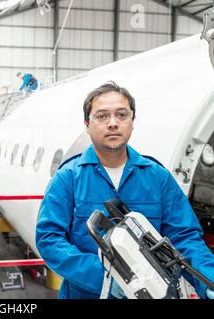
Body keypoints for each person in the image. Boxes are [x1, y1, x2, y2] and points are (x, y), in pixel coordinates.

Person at [36, 81, 214, 299]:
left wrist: (208, 279)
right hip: (86, 293)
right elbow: (50, 239)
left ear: (132, 121)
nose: (113, 123)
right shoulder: (69, 177)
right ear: (87, 123)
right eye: (102, 116)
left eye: (121, 115)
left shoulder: (157, 177)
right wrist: (108, 278)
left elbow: (185, 237)